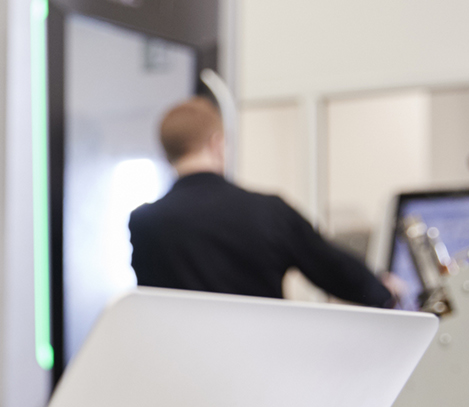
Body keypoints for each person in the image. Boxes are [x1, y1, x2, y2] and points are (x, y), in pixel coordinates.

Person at [129, 98, 395, 307]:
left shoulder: (144, 223)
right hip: (262, 366)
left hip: (181, 368)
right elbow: (333, 270)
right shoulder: (269, 211)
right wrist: (383, 290)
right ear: (217, 143)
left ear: (167, 154)